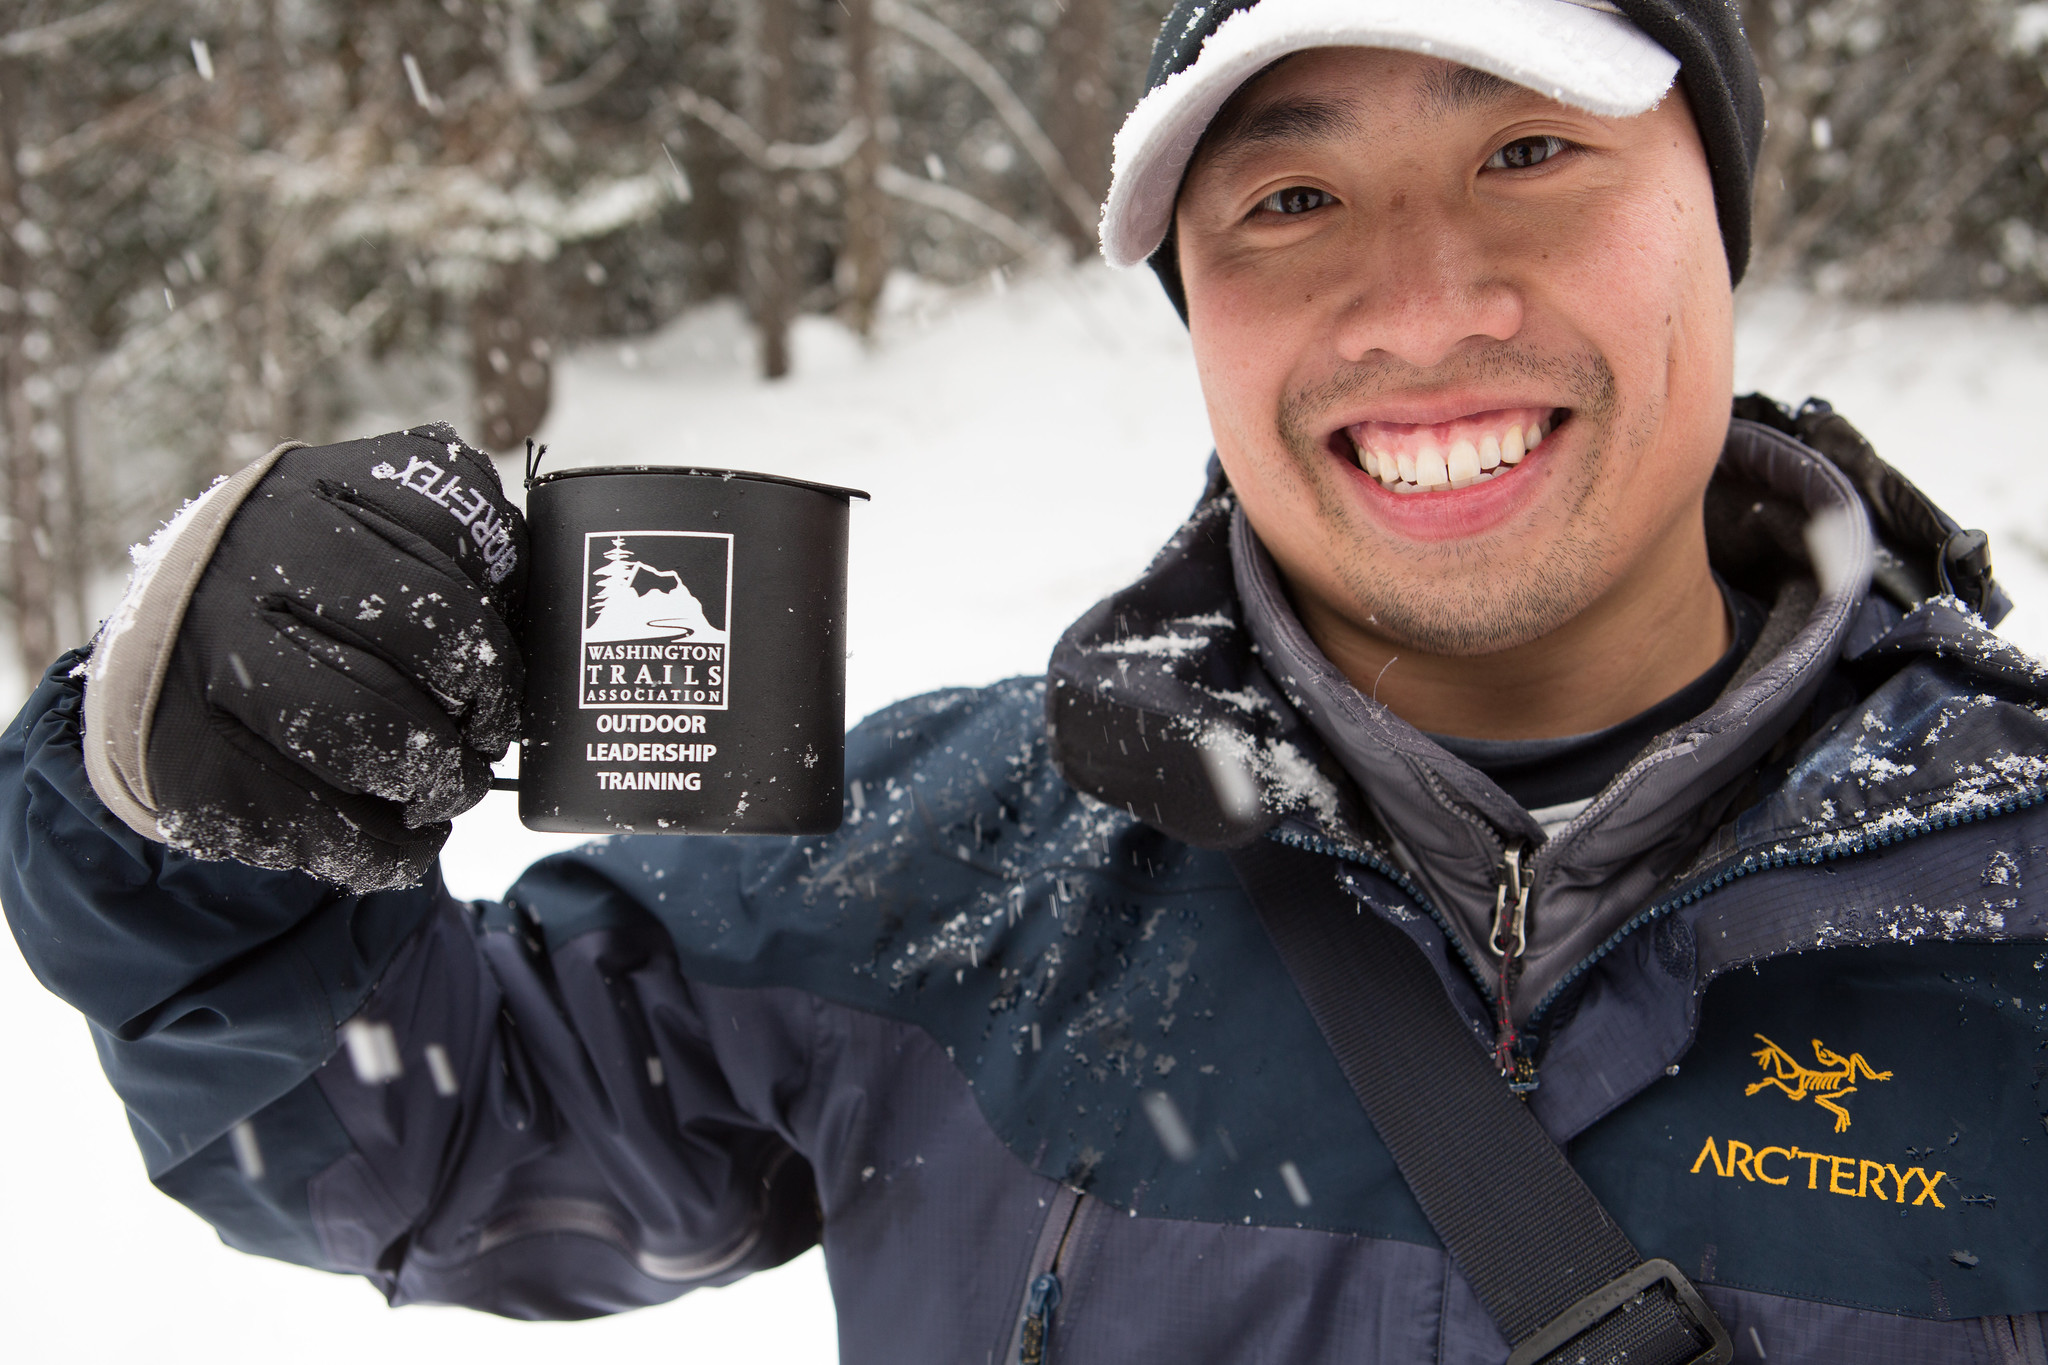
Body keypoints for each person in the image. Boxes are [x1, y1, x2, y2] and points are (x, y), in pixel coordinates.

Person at [4, 0, 2045, 1360]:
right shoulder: (952, 859)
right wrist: (200, 772)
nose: (1422, 298)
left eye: (1525, 152)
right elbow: (397, 1139)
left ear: (1724, 212)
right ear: (1199, 310)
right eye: (1293, 197)